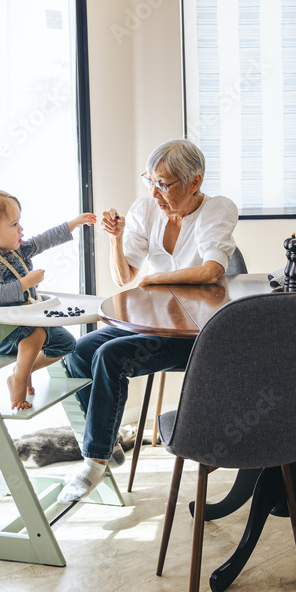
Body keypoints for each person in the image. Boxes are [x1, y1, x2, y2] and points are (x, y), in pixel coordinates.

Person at [59, 139, 239, 502]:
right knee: (77, 353)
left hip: (196, 334)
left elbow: (211, 271)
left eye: (164, 184)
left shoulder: (217, 210)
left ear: (194, 182)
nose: (156, 193)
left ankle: (93, 463)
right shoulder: (146, 210)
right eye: (151, 182)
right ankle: (106, 442)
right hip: (153, 325)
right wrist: (117, 238)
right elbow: (124, 277)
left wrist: (154, 279)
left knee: (109, 357)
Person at [0, 188, 97, 410]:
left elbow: (43, 240)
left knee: (66, 343)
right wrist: (26, 282)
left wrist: (73, 224)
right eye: (14, 224)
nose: (21, 229)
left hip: (24, 323)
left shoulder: (16, 250)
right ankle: (19, 381)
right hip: (2, 331)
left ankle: (21, 371)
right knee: (38, 332)